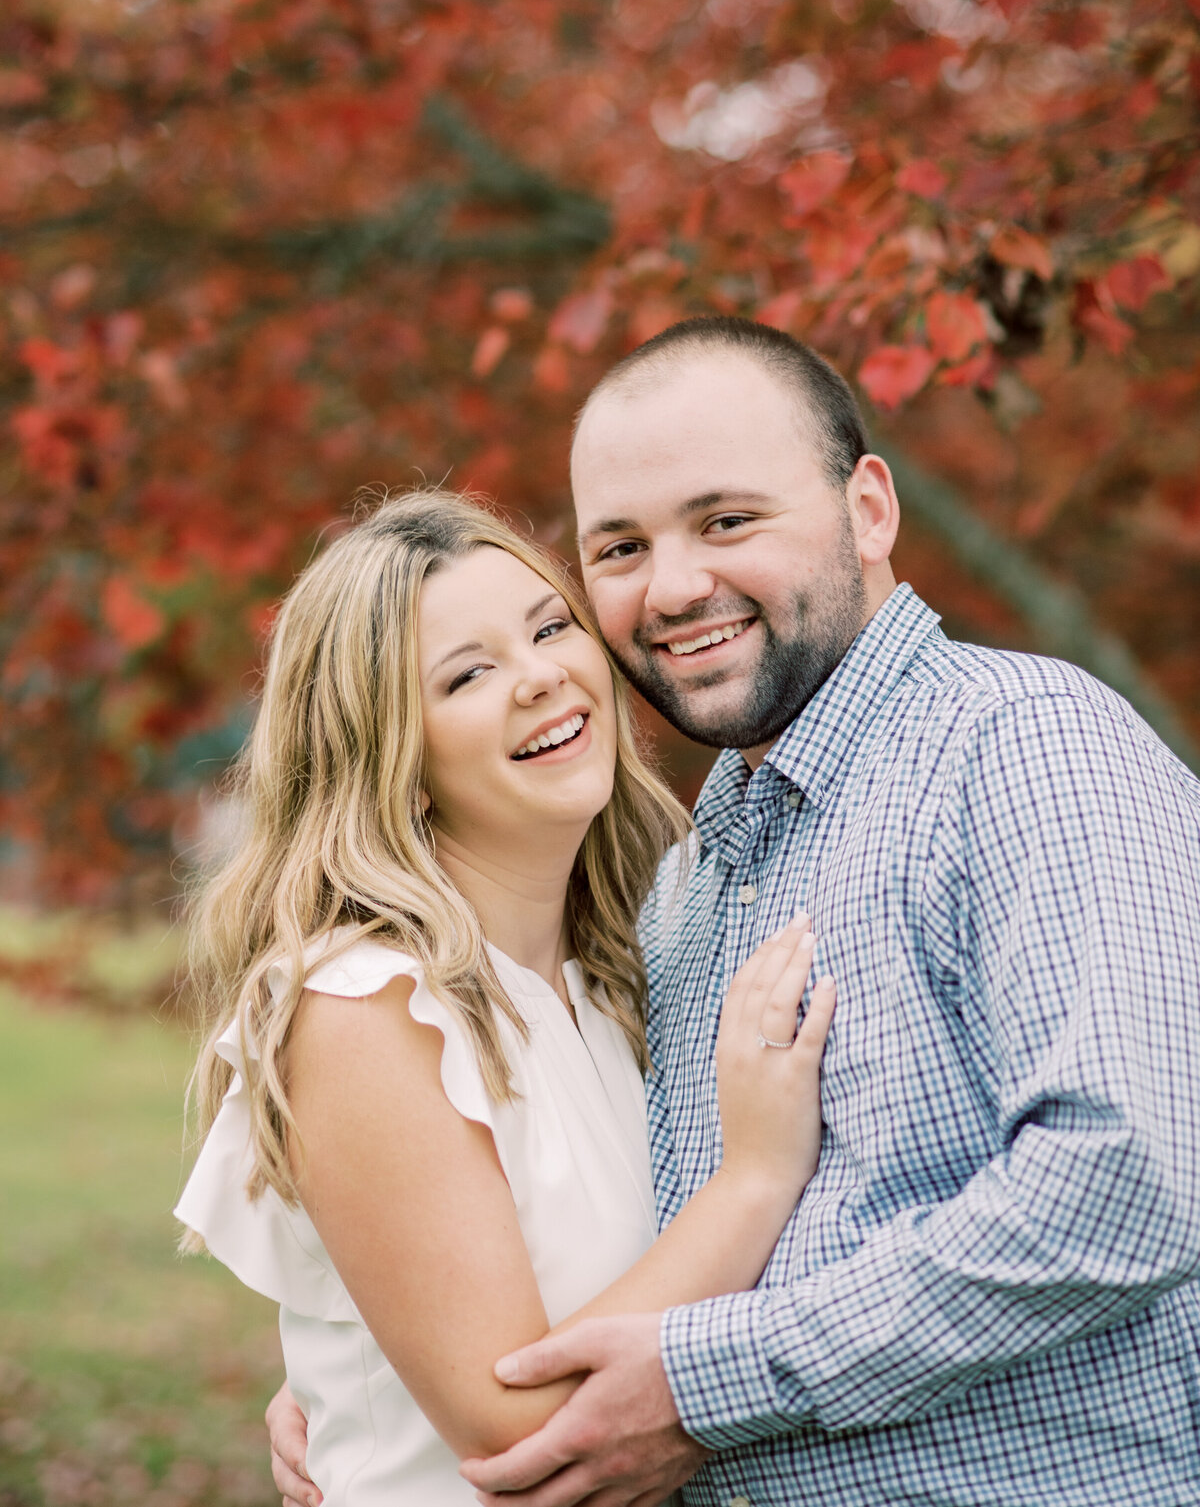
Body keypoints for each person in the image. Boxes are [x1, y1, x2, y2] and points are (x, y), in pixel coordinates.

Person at [268, 317, 1200, 1507]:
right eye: (618, 547)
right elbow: (605, 1238)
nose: (674, 587)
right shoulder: (687, 887)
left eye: (726, 520)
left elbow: (1135, 1179)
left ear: (868, 509)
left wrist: (710, 1384)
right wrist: (373, 1374)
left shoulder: (1020, 747)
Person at [175, 488, 837, 1507]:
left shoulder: (627, 965)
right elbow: (527, 1433)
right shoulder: (362, 1004)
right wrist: (752, 1177)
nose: (540, 676)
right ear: (392, 755)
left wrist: (380, 1360)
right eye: (468, 673)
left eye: (549, 625)